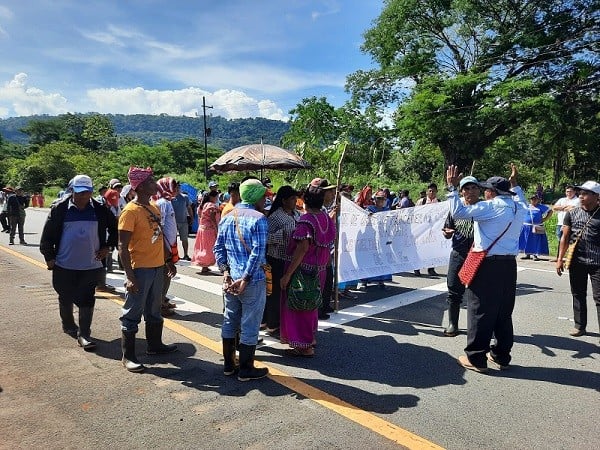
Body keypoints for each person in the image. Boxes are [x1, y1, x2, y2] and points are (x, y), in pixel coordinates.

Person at [446, 164, 528, 373]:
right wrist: (514, 182)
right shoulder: (519, 206)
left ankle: (476, 358)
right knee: (503, 311)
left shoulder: (490, 206)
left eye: (485, 190)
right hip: (509, 264)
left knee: (479, 310)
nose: (482, 193)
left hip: (487, 263)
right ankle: (501, 355)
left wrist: (452, 189)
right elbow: (518, 193)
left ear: (491, 192)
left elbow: (458, 212)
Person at [40, 174, 118, 351]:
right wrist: (50, 258)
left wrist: (107, 246)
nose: (83, 196)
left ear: (91, 192)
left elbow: (115, 228)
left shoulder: (99, 209)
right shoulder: (59, 209)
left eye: (87, 192)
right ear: (71, 191)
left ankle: (84, 334)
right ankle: (68, 325)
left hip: (91, 265)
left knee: (87, 299)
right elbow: (47, 237)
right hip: (64, 264)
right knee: (65, 295)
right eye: (79, 192)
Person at [118, 167, 178, 373]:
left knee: (154, 309)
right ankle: (129, 356)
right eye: (152, 182)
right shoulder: (130, 212)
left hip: (157, 267)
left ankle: (155, 345)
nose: (155, 185)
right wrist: (130, 276)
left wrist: (168, 260)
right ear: (141, 186)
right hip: (140, 269)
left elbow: (158, 236)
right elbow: (122, 247)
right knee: (132, 312)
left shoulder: (154, 208)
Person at [214, 178, 270, 381]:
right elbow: (257, 253)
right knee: (250, 325)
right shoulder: (259, 219)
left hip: (230, 281)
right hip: (251, 281)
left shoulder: (228, 216)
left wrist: (226, 273)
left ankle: (229, 365)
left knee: (230, 320)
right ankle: (246, 369)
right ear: (256, 196)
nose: (266, 198)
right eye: (264, 195)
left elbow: (218, 249)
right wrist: (245, 278)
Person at [279, 182, 336, 357]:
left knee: (299, 306)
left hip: (303, 269)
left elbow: (302, 249)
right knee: (311, 305)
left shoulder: (306, 220)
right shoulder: (326, 218)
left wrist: (287, 275)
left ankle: (304, 345)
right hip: (320, 269)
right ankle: (310, 338)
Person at [556, 180, 600, 339]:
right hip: (576, 261)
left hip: (597, 263)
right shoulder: (572, 213)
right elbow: (565, 237)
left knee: (599, 298)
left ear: (596, 197)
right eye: (580, 193)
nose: (581, 196)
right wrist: (560, 259)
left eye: (585, 193)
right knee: (578, 293)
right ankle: (580, 326)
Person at [441, 176, 479, 337]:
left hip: (477, 256)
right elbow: (446, 230)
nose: (470, 191)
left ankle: (477, 328)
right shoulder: (456, 209)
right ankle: (453, 324)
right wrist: (447, 233)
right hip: (458, 254)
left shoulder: (484, 208)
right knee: (453, 290)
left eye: (473, 188)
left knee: (477, 293)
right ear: (461, 192)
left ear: (479, 190)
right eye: (466, 189)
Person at [265, 185, 300, 336]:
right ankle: (273, 323)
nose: (295, 200)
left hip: (292, 260)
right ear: (284, 200)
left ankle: (286, 321)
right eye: (292, 198)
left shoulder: (298, 214)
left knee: (289, 293)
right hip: (277, 259)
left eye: (295, 197)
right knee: (276, 293)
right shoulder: (275, 217)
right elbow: (265, 237)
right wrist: (281, 236)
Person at [152, 177, 179, 317]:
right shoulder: (162, 203)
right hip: (164, 247)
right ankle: (159, 305)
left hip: (169, 244)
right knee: (164, 276)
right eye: (174, 186)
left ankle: (162, 300)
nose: (176, 189)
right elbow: (158, 228)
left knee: (166, 276)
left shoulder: (167, 202)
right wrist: (165, 253)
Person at [356, 190, 392, 291]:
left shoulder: (387, 210)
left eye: (383, 199)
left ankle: (381, 281)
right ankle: (364, 281)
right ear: (375, 199)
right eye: (378, 198)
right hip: (371, 238)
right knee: (368, 259)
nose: (380, 201)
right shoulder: (369, 209)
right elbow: (363, 220)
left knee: (382, 259)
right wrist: (369, 216)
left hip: (382, 238)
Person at [192, 190, 220, 273]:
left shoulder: (202, 205)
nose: (217, 199)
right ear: (212, 197)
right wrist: (216, 229)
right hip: (209, 230)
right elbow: (212, 219)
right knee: (208, 248)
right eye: (216, 197)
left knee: (202, 247)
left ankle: (205, 266)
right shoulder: (211, 206)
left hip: (202, 229)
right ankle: (205, 266)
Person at [414, 183, 440, 276]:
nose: (432, 192)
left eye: (434, 191)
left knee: (433, 249)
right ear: (427, 192)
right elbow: (415, 215)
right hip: (422, 229)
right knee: (420, 248)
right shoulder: (421, 202)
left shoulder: (440, 202)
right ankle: (417, 268)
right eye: (430, 191)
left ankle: (431, 269)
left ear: (437, 192)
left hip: (434, 230)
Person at [551, 185, 580, 261]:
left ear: (574, 192)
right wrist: (565, 207)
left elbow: (573, 208)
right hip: (560, 223)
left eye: (570, 191)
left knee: (570, 240)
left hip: (571, 224)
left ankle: (570, 258)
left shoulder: (577, 200)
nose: (568, 193)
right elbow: (554, 207)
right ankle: (558, 258)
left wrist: (561, 207)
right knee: (560, 240)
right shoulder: (562, 199)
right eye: (567, 191)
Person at [519, 195, 552, 260]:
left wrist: (545, 219)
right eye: (532, 199)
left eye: (535, 199)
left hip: (537, 226)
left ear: (538, 200)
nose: (533, 200)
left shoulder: (541, 207)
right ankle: (527, 254)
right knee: (527, 240)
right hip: (527, 226)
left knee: (536, 240)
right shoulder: (527, 206)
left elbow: (550, 211)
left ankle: (535, 254)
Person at [171, 183, 193, 261]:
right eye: (175, 187)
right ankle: (175, 255)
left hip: (183, 221)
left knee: (184, 239)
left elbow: (189, 208)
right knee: (173, 240)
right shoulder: (170, 198)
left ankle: (186, 254)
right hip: (173, 222)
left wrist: (191, 217)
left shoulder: (185, 197)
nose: (177, 189)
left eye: (178, 187)